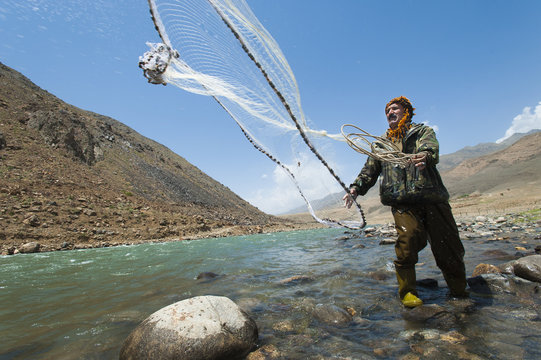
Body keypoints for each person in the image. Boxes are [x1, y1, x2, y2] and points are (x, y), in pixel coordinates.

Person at [343, 96, 468, 307]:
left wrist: (424, 157)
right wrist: (355, 188)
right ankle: (408, 293)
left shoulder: (422, 132)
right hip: (402, 202)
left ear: (406, 111)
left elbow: (430, 150)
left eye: (395, 109)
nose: (390, 113)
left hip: (432, 198)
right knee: (407, 244)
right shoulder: (380, 144)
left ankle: (459, 291)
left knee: (448, 248)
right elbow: (369, 171)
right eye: (387, 111)